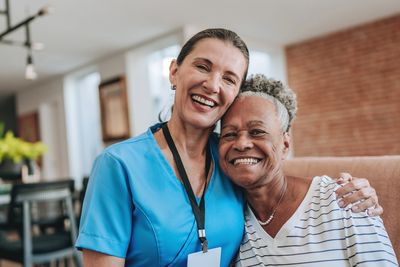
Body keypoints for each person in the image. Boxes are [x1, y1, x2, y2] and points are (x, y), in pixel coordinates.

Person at [76, 29, 382, 267]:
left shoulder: (232, 161)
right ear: (174, 72)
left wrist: (353, 191)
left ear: (235, 93)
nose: (212, 84)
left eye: (229, 78)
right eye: (202, 67)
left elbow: (280, 180)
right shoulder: (118, 164)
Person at [218, 74, 397, 266]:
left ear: (285, 145)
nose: (242, 143)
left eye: (257, 132)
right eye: (229, 134)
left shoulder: (344, 199)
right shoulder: (228, 221)